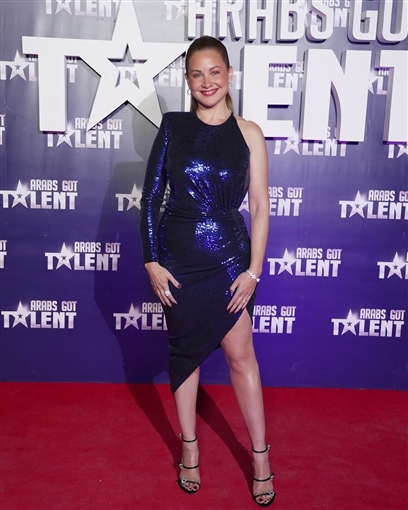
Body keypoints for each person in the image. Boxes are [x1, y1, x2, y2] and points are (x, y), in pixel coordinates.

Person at [140, 35, 274, 507]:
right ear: (187, 81)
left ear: (229, 74)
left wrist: (253, 271)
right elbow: (150, 197)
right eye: (196, 74)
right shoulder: (173, 127)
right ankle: (190, 450)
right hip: (177, 261)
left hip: (230, 259)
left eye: (214, 72)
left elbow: (260, 206)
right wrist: (152, 259)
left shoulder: (249, 133)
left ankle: (260, 456)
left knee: (241, 356)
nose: (207, 82)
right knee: (185, 356)